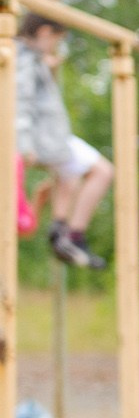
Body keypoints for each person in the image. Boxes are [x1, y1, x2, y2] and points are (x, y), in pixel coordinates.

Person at [15, 17, 112, 271]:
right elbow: (21, 101)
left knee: (71, 171)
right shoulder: (24, 59)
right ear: (45, 32)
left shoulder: (29, 57)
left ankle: (61, 228)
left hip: (48, 137)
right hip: (40, 137)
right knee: (99, 170)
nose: (55, 48)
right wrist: (23, 142)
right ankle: (70, 234)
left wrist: (45, 65)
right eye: (56, 41)